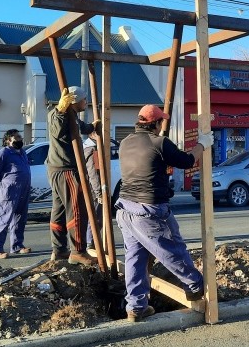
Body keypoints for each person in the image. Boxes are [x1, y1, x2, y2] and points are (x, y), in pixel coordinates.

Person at [115, 104, 213, 322]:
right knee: (172, 250)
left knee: (135, 258)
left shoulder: (125, 142)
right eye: (162, 122)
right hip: (149, 211)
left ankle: (136, 306)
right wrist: (203, 144)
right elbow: (187, 161)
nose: (162, 126)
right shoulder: (159, 142)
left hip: (125, 209)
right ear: (157, 124)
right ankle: (195, 285)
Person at [46, 86, 103, 266]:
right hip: (66, 169)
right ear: (75, 101)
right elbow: (57, 128)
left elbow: (81, 127)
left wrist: (93, 127)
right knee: (77, 210)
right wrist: (60, 110)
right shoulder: (59, 115)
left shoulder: (73, 117)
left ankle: (59, 249)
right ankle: (78, 251)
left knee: (60, 210)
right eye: (84, 100)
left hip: (57, 168)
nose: (86, 102)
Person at [0, 128, 31, 259]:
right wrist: (2, 184)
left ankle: (17, 246)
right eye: (16, 137)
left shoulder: (22, 153)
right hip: (9, 191)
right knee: (4, 219)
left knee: (20, 218)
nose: (20, 139)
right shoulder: (4, 153)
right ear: (8, 140)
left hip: (23, 190)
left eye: (20, 136)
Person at [82, 131, 103, 258]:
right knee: (95, 218)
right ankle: (91, 243)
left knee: (93, 217)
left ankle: (91, 241)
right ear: (92, 135)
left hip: (90, 188)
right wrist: (99, 192)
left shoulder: (88, 147)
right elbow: (93, 173)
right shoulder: (92, 149)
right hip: (93, 189)